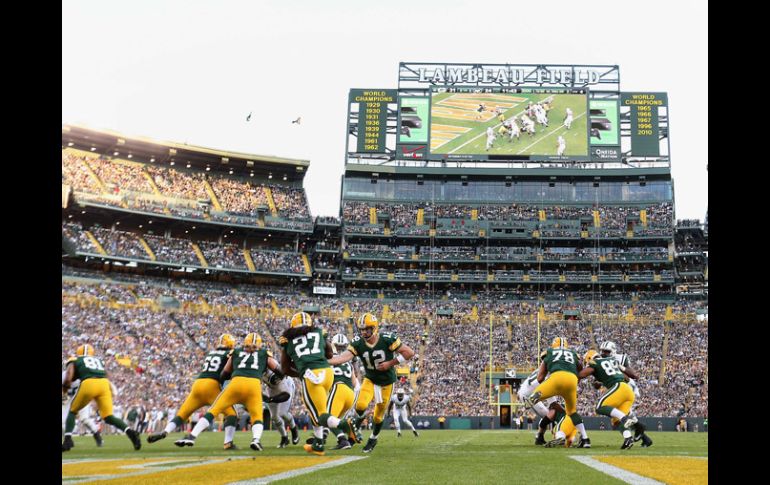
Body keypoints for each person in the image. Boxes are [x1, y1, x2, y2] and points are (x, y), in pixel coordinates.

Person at [173, 333, 282, 451]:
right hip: (254, 385)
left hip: (235, 383)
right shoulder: (264, 353)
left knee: (213, 410)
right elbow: (278, 370)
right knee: (257, 416)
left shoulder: (235, 351)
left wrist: (229, 377)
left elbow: (224, 373)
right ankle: (256, 439)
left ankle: (192, 436)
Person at [329, 313, 416, 453]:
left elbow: (410, 353)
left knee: (377, 416)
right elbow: (344, 357)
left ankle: (373, 438)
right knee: (360, 405)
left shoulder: (387, 339)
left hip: (387, 382)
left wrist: (390, 363)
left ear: (374, 328)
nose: (364, 332)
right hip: (370, 378)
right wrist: (327, 361)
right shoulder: (358, 342)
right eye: (362, 329)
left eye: (367, 329)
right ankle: (354, 431)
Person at [280, 312, 359, 456]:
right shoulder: (318, 332)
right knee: (316, 409)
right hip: (328, 373)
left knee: (319, 415)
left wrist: (301, 371)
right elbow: (329, 354)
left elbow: (285, 368)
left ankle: (345, 425)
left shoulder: (287, 340)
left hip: (311, 375)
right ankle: (318, 443)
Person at [148, 334, 240, 450]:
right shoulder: (230, 354)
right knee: (231, 414)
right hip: (212, 385)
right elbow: (228, 371)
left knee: (182, 414)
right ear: (231, 344)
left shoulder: (211, 353)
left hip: (197, 384)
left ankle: (165, 431)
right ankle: (228, 442)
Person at [62, 344, 141, 452]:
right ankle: (130, 432)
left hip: (89, 383)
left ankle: (67, 440)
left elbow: (68, 378)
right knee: (108, 416)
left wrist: (64, 391)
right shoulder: (98, 360)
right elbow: (106, 375)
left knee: (72, 411)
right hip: (104, 384)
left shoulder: (75, 359)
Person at [578, 349, 649, 450]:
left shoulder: (594, 362)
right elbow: (628, 378)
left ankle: (627, 419)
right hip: (627, 391)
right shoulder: (612, 361)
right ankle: (628, 438)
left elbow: (581, 374)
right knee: (616, 421)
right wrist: (607, 379)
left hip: (619, 388)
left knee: (600, 407)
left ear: (589, 358)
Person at [526, 337, 590, 448]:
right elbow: (580, 369)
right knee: (572, 413)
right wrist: (575, 380)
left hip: (556, 378)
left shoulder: (550, 352)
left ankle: (536, 395)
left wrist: (549, 377)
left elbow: (540, 378)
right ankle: (585, 439)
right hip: (571, 380)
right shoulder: (573, 353)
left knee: (543, 390)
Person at [328, 333, 361, 450]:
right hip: (351, 393)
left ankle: (343, 439)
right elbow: (356, 384)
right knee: (334, 420)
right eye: (339, 346)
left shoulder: (328, 358)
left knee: (326, 417)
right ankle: (322, 438)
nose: (340, 348)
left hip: (338, 389)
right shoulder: (348, 362)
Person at [263, 364, 300, 448]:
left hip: (286, 386)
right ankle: (284, 437)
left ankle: (294, 429)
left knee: (282, 413)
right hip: (271, 388)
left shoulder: (273, 372)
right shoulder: (258, 369)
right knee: (274, 417)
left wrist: (272, 399)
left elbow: (285, 395)